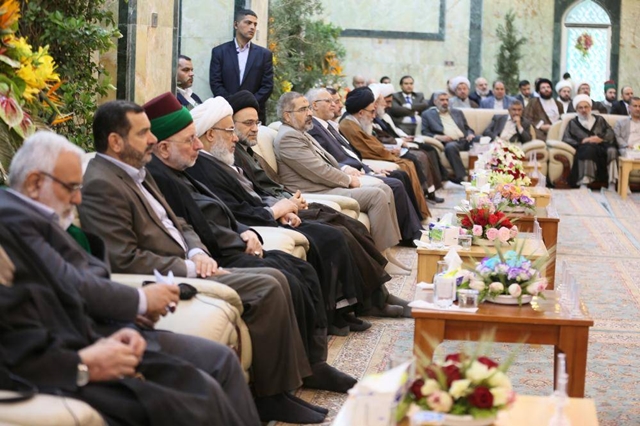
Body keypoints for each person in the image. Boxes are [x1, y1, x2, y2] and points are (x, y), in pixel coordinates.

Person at [78, 100, 333, 423]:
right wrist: (189, 266)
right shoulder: (101, 183)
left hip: (193, 261)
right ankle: (271, 397)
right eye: (143, 133)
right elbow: (122, 258)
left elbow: (179, 223)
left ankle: (284, 388)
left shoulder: (135, 170)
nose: (152, 140)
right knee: (269, 284)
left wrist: (196, 252)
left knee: (280, 276)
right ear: (116, 141)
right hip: (169, 276)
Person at [1, 132, 261, 425]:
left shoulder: (32, 217)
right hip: (71, 356)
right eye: (72, 187)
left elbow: (71, 285)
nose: (78, 199)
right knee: (197, 395)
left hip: (100, 334)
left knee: (209, 375)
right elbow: (69, 286)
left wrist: (123, 317)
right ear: (35, 183)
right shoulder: (12, 218)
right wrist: (84, 362)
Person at [185, 95, 385, 332]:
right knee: (332, 236)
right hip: (259, 222)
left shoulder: (223, 157)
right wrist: (276, 211)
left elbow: (256, 192)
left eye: (256, 123)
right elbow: (233, 210)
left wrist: (282, 208)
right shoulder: (204, 166)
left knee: (342, 226)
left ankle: (365, 300)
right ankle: (340, 311)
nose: (236, 137)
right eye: (232, 130)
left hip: (272, 212)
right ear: (210, 134)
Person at [228, 90, 409, 317]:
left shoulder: (246, 150)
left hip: (289, 202)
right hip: (294, 201)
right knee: (337, 233)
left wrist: (286, 202)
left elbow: (266, 187)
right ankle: (366, 302)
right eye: (247, 124)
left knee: (351, 226)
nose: (255, 128)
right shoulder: (242, 152)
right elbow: (252, 197)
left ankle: (377, 294)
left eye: (256, 123)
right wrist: (281, 207)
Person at [273, 91, 403, 253]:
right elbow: (319, 171)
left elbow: (327, 163)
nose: (309, 113)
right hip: (315, 191)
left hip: (324, 185)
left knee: (384, 188)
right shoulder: (288, 137)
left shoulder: (299, 132)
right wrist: (348, 179)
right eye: (303, 109)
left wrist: (349, 174)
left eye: (309, 108)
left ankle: (388, 252)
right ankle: (381, 254)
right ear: (287, 115)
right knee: (376, 195)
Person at [305, 87, 424, 240]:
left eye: (335, 101)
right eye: (329, 101)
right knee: (395, 183)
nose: (334, 105)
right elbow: (327, 160)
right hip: (348, 174)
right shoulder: (314, 128)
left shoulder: (327, 125)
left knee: (399, 174)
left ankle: (415, 227)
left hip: (358, 169)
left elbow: (350, 153)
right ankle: (412, 235)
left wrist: (368, 168)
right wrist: (350, 169)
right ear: (315, 105)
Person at [339, 87, 432, 218]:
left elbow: (372, 145)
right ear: (360, 113)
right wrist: (390, 153)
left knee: (409, 163)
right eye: (372, 112)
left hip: (374, 158)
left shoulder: (356, 123)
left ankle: (417, 216)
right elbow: (366, 150)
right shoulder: (348, 125)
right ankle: (415, 217)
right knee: (405, 167)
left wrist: (389, 151)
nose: (374, 116)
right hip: (362, 165)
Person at [209, 9, 273, 123]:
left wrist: (249, 105)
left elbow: (267, 86)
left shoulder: (264, 54)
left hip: (254, 115)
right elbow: (216, 83)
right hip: (225, 114)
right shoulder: (219, 52)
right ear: (236, 25)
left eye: (255, 24)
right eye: (248, 23)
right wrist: (233, 104)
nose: (252, 27)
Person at [421, 90, 477, 184]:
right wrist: (439, 137)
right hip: (451, 142)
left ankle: (486, 173)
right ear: (435, 102)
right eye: (442, 100)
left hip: (465, 140)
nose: (445, 102)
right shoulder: (427, 114)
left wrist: (470, 134)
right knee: (450, 147)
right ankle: (462, 177)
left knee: (482, 140)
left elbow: (467, 128)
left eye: (447, 100)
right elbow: (424, 132)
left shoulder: (457, 112)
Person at [562, 94, 617, 188]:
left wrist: (601, 139)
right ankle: (585, 182)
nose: (584, 110)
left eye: (586, 107)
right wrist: (582, 141)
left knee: (612, 150)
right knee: (588, 149)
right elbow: (566, 139)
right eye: (580, 108)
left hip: (601, 146)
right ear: (576, 109)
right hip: (585, 147)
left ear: (590, 108)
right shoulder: (573, 123)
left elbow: (610, 133)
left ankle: (612, 182)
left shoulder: (599, 119)